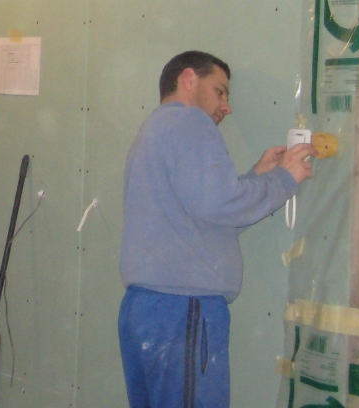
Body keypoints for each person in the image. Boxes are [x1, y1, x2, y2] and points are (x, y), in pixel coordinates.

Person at [119, 50, 314, 408]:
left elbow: (205, 217)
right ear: (189, 79)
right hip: (184, 311)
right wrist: (285, 179)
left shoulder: (156, 130)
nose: (227, 107)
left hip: (147, 311)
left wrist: (257, 177)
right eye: (219, 91)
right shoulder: (190, 122)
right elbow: (220, 203)